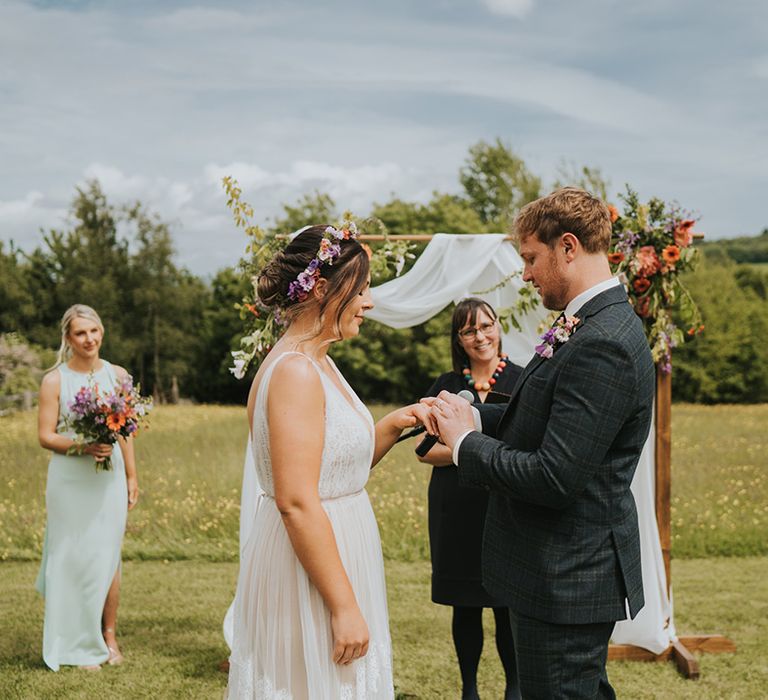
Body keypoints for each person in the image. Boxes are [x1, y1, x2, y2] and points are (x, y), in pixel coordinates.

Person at [426, 188, 655, 699]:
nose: (525, 274)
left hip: (566, 578)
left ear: (568, 247)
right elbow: (543, 416)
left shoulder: (605, 344)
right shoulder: (588, 323)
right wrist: (473, 415)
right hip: (554, 573)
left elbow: (554, 476)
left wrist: (464, 443)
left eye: (530, 258)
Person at [226, 225, 425, 699]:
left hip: (336, 548)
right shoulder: (295, 371)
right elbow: (296, 500)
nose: (370, 302)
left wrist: (392, 427)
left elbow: (331, 470)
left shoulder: (318, 360)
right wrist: (343, 606)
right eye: (361, 289)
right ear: (321, 289)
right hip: (308, 568)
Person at [417, 298, 521, 700]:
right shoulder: (444, 386)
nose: (481, 337)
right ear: (459, 340)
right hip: (456, 508)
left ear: (498, 327)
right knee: (465, 603)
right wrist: (473, 450)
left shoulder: (522, 378)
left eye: (486, 326)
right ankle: (470, 691)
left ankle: (515, 689)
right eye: (469, 330)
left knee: (506, 603)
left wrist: (464, 447)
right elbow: (425, 450)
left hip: (504, 504)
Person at [36, 304, 139, 671]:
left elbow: (124, 432)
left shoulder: (119, 375)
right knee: (70, 557)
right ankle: (71, 640)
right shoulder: (55, 380)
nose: (89, 339)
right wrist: (83, 447)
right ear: (68, 338)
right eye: (80, 333)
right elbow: (45, 436)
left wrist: (131, 476)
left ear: (102, 331)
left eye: (93, 330)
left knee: (107, 555)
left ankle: (107, 636)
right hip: (69, 481)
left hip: (108, 480)